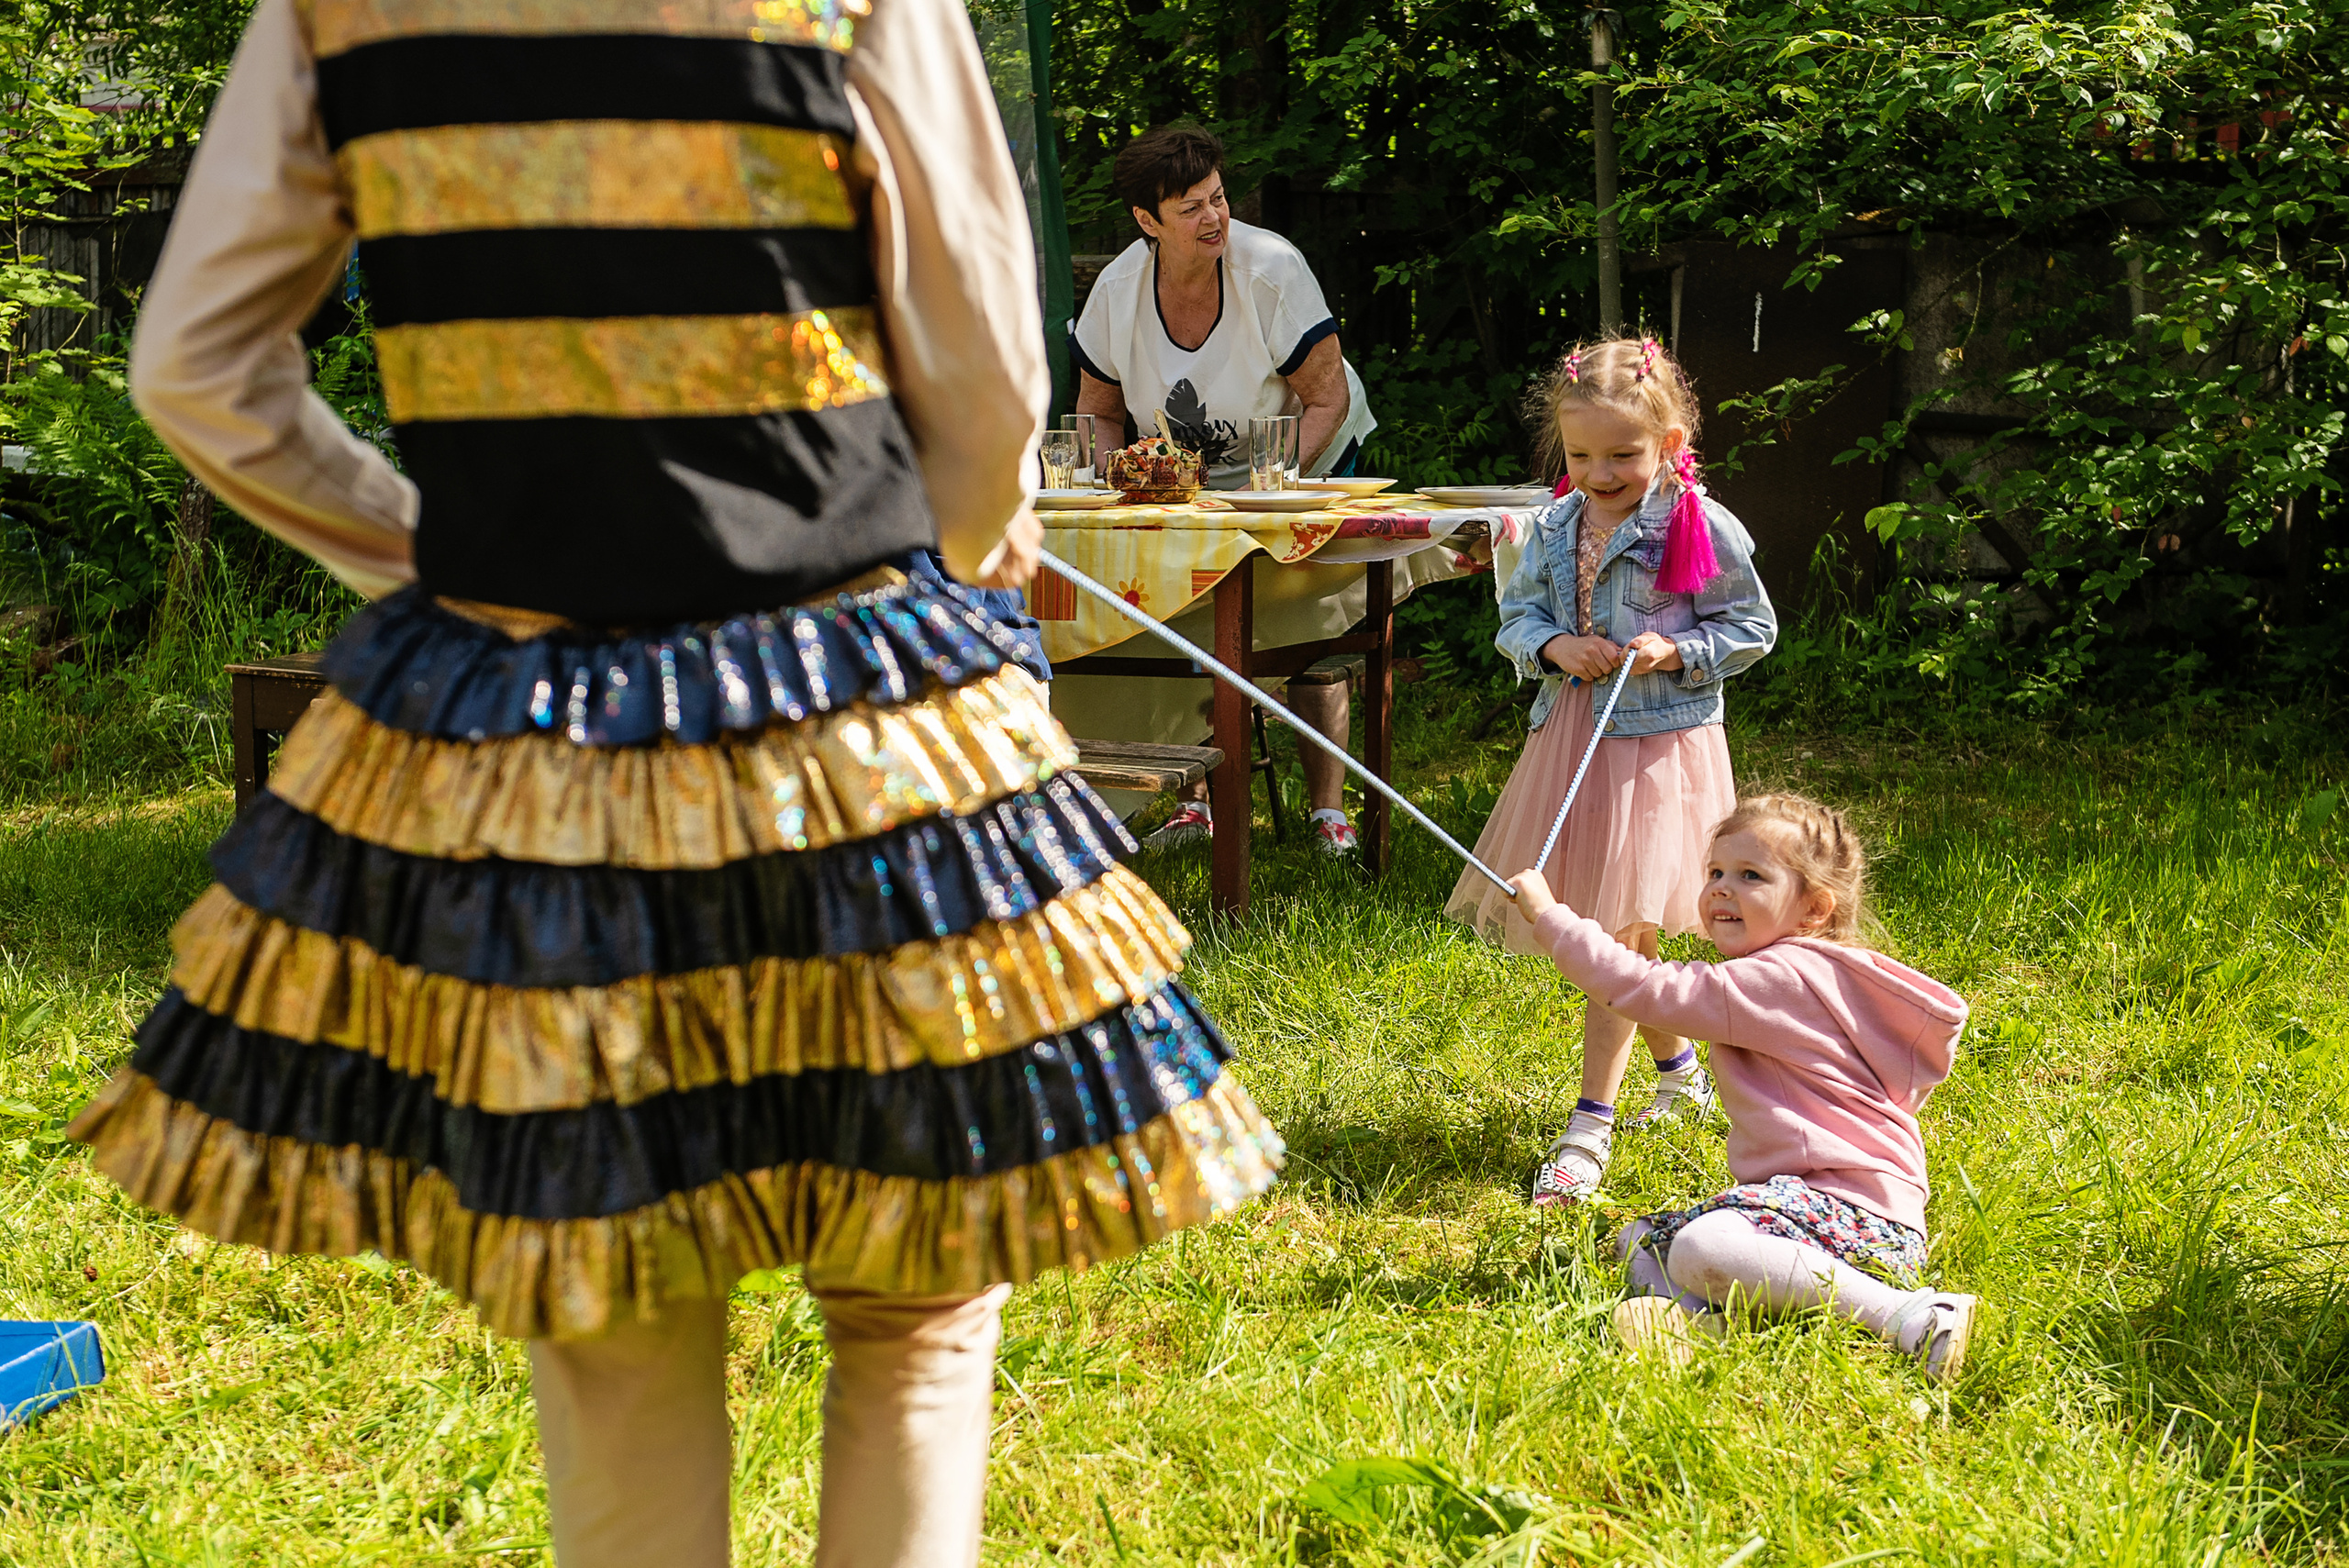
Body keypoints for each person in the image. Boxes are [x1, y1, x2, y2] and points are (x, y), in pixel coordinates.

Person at [65, 4, 1283, 1566]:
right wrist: (969, 569)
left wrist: (439, 552)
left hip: (545, 747)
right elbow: (979, 372)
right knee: (912, 1304)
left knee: (619, 1296)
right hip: (854, 716)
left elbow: (198, 365)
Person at [1444, 335, 1776, 1204]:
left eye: (1623, 454)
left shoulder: (1699, 523)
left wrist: (1679, 648)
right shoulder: (1554, 526)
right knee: (1602, 924)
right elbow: (1516, 620)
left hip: (1661, 747)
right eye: (1581, 454)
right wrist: (1557, 644)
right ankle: (1678, 1069)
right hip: (1575, 738)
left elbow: (1752, 626)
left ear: (1669, 440)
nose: (1600, 472)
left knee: (1619, 931)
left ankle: (1590, 1122)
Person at [1507, 795, 1976, 1383]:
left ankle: (1912, 1316)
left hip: (1854, 1211)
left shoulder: (1776, 977)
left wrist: (1553, 920)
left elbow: (1648, 990)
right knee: (1640, 1241)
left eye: (1750, 876)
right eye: (1715, 873)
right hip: (1819, 1203)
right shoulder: (1813, 969)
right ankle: (1702, 1325)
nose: (1722, 889)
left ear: (1814, 909)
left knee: (1703, 1248)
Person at [1064, 123, 1381, 856]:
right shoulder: (1117, 291)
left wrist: (1268, 494)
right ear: (1148, 222)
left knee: (1305, 624)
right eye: (1190, 208)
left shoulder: (1271, 269)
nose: (1214, 218)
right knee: (1177, 611)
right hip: (1189, 490)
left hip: (1307, 453)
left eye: (1219, 198)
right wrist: (1123, 486)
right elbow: (1098, 412)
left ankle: (1328, 812)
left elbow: (1326, 402)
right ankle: (1191, 800)